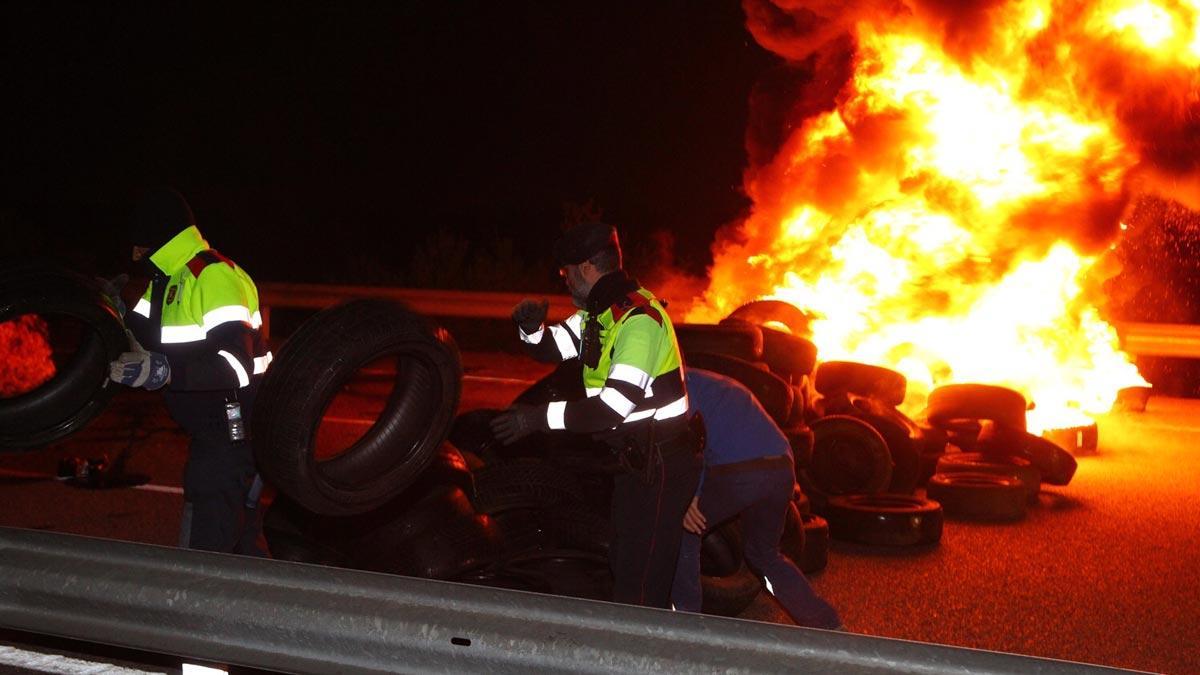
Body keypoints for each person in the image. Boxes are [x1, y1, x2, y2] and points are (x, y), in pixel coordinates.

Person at [489, 221, 702, 608]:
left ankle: (645, 658)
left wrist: (536, 419)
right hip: (636, 463)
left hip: (661, 467)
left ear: (586, 268)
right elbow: (555, 346)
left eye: (566, 272)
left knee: (641, 584)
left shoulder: (638, 322)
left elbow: (611, 408)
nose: (564, 280)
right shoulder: (601, 313)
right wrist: (531, 331)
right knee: (625, 563)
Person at [108, 186, 272, 555]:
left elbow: (237, 366)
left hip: (232, 436)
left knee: (203, 555)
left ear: (160, 237)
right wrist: (110, 309)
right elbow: (140, 334)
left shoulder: (213, 276)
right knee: (238, 547)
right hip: (212, 436)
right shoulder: (166, 279)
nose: (136, 256)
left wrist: (166, 373)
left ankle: (204, 612)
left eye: (141, 246)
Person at [671, 367, 843, 630]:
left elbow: (693, 443)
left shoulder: (681, 386)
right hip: (782, 469)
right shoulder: (721, 381)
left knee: (685, 530)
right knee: (764, 555)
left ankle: (685, 625)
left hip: (738, 471)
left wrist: (692, 495)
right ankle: (825, 624)